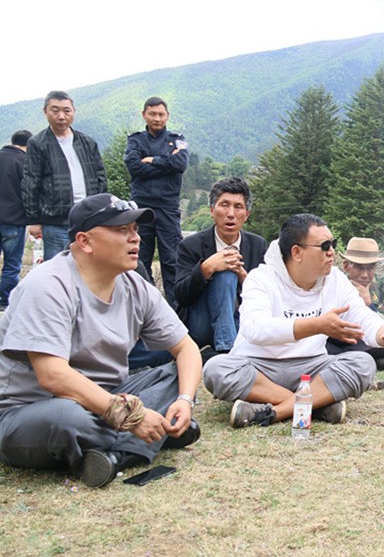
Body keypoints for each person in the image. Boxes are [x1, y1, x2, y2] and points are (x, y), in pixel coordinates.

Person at [0, 193, 202, 488]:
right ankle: (146, 439)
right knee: (68, 418)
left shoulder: (135, 286)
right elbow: (53, 376)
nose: (135, 238)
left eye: (135, 229)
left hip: (107, 396)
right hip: (32, 409)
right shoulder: (48, 285)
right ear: (85, 241)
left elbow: (186, 348)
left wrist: (184, 400)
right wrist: (132, 417)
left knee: (176, 375)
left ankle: (116, 455)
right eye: (121, 230)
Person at [203, 214, 384, 428]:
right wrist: (316, 325)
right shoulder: (261, 278)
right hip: (259, 367)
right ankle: (317, 405)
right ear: (297, 252)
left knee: (363, 364)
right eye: (324, 246)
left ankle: (273, 412)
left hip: (311, 366)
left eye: (333, 244)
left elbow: (361, 316)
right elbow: (255, 328)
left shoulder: (336, 279)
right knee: (217, 369)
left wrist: (382, 331)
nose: (331, 252)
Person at [174, 177, 267, 354]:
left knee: (231, 272)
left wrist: (243, 276)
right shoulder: (191, 245)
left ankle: (227, 345)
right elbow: (180, 297)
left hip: (242, 323)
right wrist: (206, 269)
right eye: (224, 205)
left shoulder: (258, 245)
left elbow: (266, 296)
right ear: (212, 210)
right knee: (225, 274)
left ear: (247, 214)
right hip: (202, 323)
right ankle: (228, 350)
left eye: (238, 207)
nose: (231, 214)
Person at [21, 91, 107, 260]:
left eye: (66, 111)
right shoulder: (38, 143)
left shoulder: (87, 142)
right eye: (55, 111)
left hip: (88, 217)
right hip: (55, 220)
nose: (61, 116)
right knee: (58, 266)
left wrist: (100, 209)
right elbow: (31, 181)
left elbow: (101, 176)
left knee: (89, 264)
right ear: (45, 111)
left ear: (73, 111)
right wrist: (33, 220)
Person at [124, 97, 189, 305]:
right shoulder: (135, 140)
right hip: (141, 208)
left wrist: (153, 160)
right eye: (152, 114)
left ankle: (176, 310)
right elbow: (134, 167)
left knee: (172, 260)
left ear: (167, 116)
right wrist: (167, 165)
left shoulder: (177, 139)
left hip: (167, 207)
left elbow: (181, 163)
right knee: (139, 259)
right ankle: (146, 304)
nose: (157, 118)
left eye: (161, 114)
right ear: (144, 114)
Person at [326, 237, 384, 370]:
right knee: (322, 343)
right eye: (359, 268)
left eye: (370, 268)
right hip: (341, 337)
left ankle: (346, 358)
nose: (365, 275)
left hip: (366, 339)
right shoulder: (338, 282)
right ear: (346, 266)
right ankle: (362, 358)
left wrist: (368, 304)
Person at [0, 130, 32, 310]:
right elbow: (29, 192)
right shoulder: (24, 162)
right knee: (12, 263)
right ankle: (5, 300)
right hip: (14, 220)